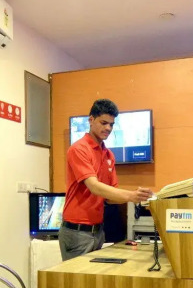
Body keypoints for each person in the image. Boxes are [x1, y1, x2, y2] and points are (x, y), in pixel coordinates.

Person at [59, 99, 152, 260]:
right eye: (103, 123)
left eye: (111, 124)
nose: (108, 128)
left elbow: (110, 197)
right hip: (77, 232)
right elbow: (94, 186)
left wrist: (138, 197)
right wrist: (131, 195)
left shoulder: (108, 154)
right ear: (91, 120)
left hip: (98, 231)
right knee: (78, 277)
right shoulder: (79, 149)